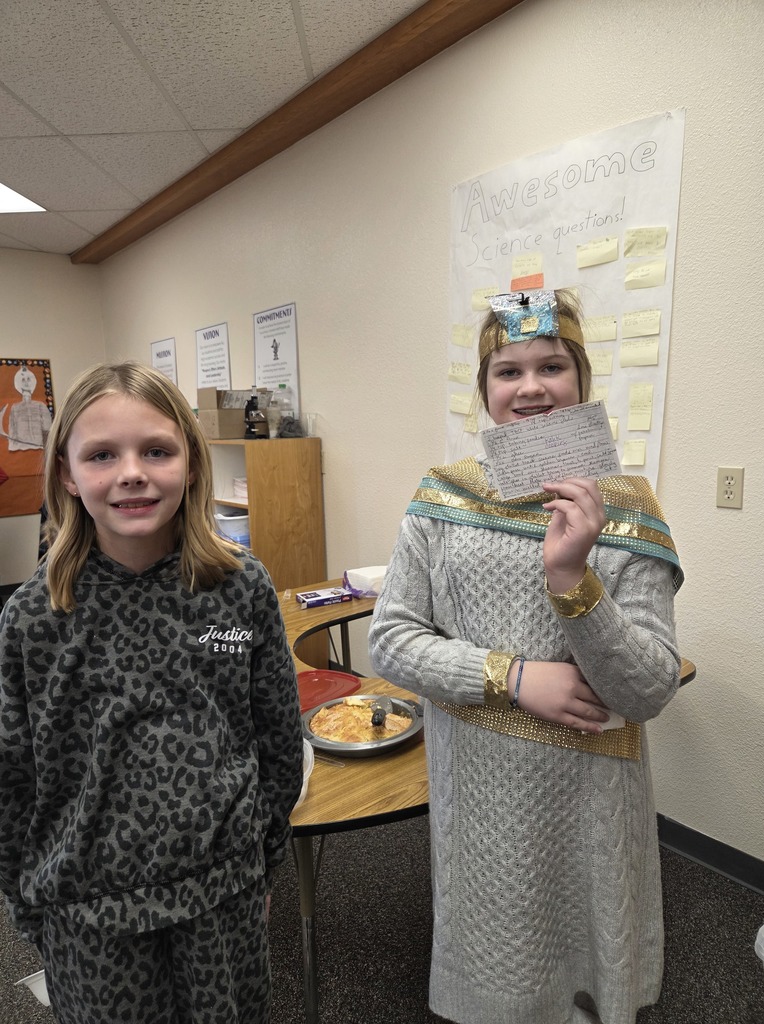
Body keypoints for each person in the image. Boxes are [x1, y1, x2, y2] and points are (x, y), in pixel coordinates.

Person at [369, 289, 683, 1024]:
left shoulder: (627, 509)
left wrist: (573, 579)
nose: (532, 387)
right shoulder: (440, 501)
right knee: (499, 968)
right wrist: (509, 676)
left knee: (586, 973)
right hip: (479, 786)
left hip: (592, 792)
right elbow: (392, 639)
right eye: (508, 371)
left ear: (582, 382)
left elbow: (648, 688)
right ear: (485, 391)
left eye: (552, 366)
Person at [0, 361, 304, 1024]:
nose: (132, 472)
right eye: (102, 455)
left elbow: (278, 740)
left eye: (157, 451)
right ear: (66, 475)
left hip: (221, 895)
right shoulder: (33, 618)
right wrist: (31, 907)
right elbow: (14, 780)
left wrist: (259, 862)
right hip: (90, 915)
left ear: (191, 465)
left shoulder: (239, 587)